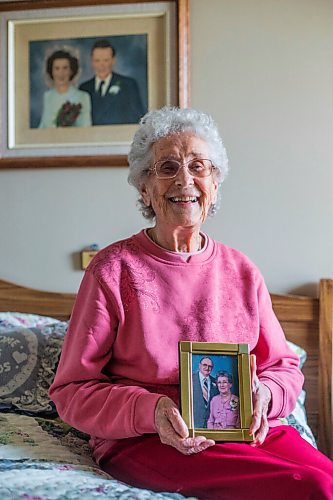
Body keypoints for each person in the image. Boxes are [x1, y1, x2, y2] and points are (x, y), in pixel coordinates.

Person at [50, 107, 333, 500]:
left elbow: (283, 367)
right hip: (149, 439)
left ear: (214, 184)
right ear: (145, 189)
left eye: (199, 166)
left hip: (245, 429)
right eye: (167, 167)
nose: (185, 179)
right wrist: (150, 410)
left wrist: (265, 396)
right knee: (314, 488)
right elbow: (72, 389)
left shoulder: (241, 270)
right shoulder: (113, 269)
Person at [79, 39, 145, 125]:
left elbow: (137, 118)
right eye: (97, 60)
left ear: (113, 60)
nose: (101, 65)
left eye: (106, 60)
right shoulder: (84, 88)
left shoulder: (128, 84)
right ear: (92, 62)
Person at [39, 49, 91, 128]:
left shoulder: (83, 97)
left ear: (71, 71)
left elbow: (86, 127)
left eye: (65, 68)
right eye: (57, 68)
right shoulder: (47, 96)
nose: (61, 73)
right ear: (51, 72)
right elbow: (43, 126)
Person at [192, 357, 219, 428]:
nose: (207, 368)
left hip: (211, 424)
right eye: (205, 365)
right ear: (199, 365)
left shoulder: (216, 382)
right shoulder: (190, 379)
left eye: (210, 366)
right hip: (194, 423)